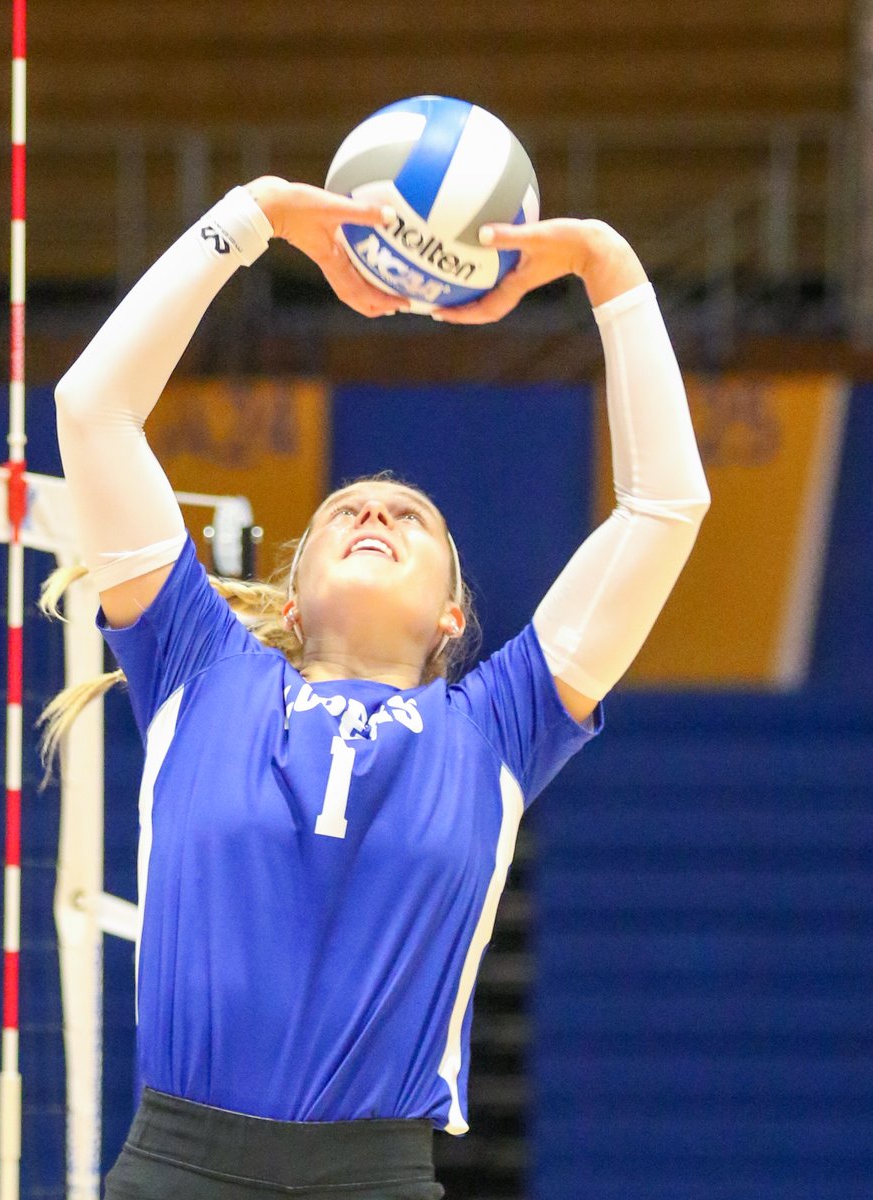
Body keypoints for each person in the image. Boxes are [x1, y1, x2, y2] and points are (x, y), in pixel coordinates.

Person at [43, 176, 710, 1200]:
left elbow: (665, 505)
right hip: (176, 1169)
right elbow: (90, 410)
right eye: (347, 509)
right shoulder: (197, 665)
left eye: (412, 519)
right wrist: (255, 214)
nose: (376, 514)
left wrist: (607, 267)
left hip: (374, 1179)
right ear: (295, 599)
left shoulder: (499, 724)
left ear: (451, 616)